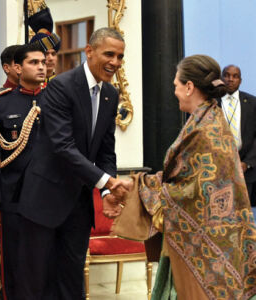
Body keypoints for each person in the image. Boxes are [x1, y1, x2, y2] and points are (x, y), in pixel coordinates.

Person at [114, 55, 256, 299]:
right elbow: (186, 180)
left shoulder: (204, 129)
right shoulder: (208, 120)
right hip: (200, 244)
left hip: (199, 250)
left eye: (176, 85)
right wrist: (138, 184)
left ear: (189, 87)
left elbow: (189, 191)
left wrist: (140, 186)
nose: (176, 92)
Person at [16, 27, 127, 299]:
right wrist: (106, 181)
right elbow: (63, 146)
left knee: (71, 280)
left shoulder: (111, 95)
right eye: (109, 54)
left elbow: (106, 152)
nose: (115, 62)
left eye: (120, 56)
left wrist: (107, 192)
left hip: (78, 205)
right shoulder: (61, 86)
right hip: (44, 200)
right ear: (89, 51)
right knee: (37, 282)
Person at [0, 43, 46, 299]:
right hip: (12, 199)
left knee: (44, 264)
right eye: (34, 62)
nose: (41, 66)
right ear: (17, 68)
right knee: (13, 264)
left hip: (47, 198)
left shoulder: (56, 101)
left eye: (43, 62)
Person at [219, 65, 256, 206]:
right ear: (221, 78)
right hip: (218, 168)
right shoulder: (212, 102)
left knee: (243, 213)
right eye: (226, 75)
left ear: (240, 80)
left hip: (245, 170)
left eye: (235, 76)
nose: (230, 79)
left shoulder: (252, 103)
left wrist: (247, 163)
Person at [27, 1, 60, 86]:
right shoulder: (29, 87)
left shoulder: (64, 87)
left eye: (53, 54)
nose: (50, 58)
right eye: (46, 54)